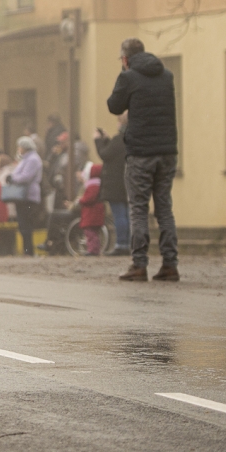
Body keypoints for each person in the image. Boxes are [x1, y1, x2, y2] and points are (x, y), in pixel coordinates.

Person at [107, 37, 179, 282]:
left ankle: (139, 265)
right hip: (168, 152)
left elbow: (114, 106)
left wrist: (123, 73)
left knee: (138, 208)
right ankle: (170, 264)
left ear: (126, 58)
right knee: (164, 208)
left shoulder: (129, 77)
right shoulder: (166, 75)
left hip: (141, 153)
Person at [94, 113, 130, 256]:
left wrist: (98, 140)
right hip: (125, 182)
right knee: (126, 214)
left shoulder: (119, 139)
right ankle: (126, 243)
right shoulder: (128, 139)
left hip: (115, 184)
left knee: (119, 215)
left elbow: (105, 154)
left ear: (122, 123)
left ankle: (121, 244)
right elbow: (113, 152)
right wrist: (107, 140)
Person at [7, 136, 43, 256]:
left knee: (25, 224)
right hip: (22, 196)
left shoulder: (32, 159)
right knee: (23, 224)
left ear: (24, 147)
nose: (18, 149)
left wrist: (13, 178)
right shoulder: (26, 159)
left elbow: (26, 176)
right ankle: (26, 250)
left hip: (28, 196)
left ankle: (28, 251)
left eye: (19, 146)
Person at [71, 163, 106, 255]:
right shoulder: (97, 185)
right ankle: (94, 249)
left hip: (91, 214)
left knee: (90, 233)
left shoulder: (92, 186)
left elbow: (89, 198)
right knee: (94, 234)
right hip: (94, 213)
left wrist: (81, 200)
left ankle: (93, 250)